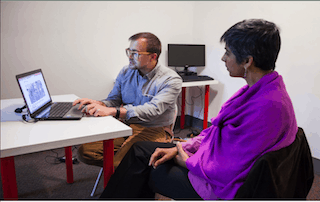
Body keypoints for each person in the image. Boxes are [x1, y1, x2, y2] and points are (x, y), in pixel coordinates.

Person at [99, 19, 298, 200]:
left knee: (144, 163)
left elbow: (227, 170)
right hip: (208, 161)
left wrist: (186, 161)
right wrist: (184, 147)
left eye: (228, 52)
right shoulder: (259, 91)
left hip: (219, 186)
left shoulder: (268, 106)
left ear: (247, 61)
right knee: (140, 150)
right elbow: (216, 136)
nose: (223, 58)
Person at [73, 32, 182, 168]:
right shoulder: (126, 72)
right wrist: (99, 104)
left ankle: (129, 170)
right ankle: (134, 169)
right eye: (129, 51)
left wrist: (113, 111)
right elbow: (114, 100)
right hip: (127, 126)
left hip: (155, 129)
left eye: (135, 53)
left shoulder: (171, 80)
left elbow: (153, 110)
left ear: (153, 57)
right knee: (86, 152)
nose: (130, 57)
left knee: (118, 164)